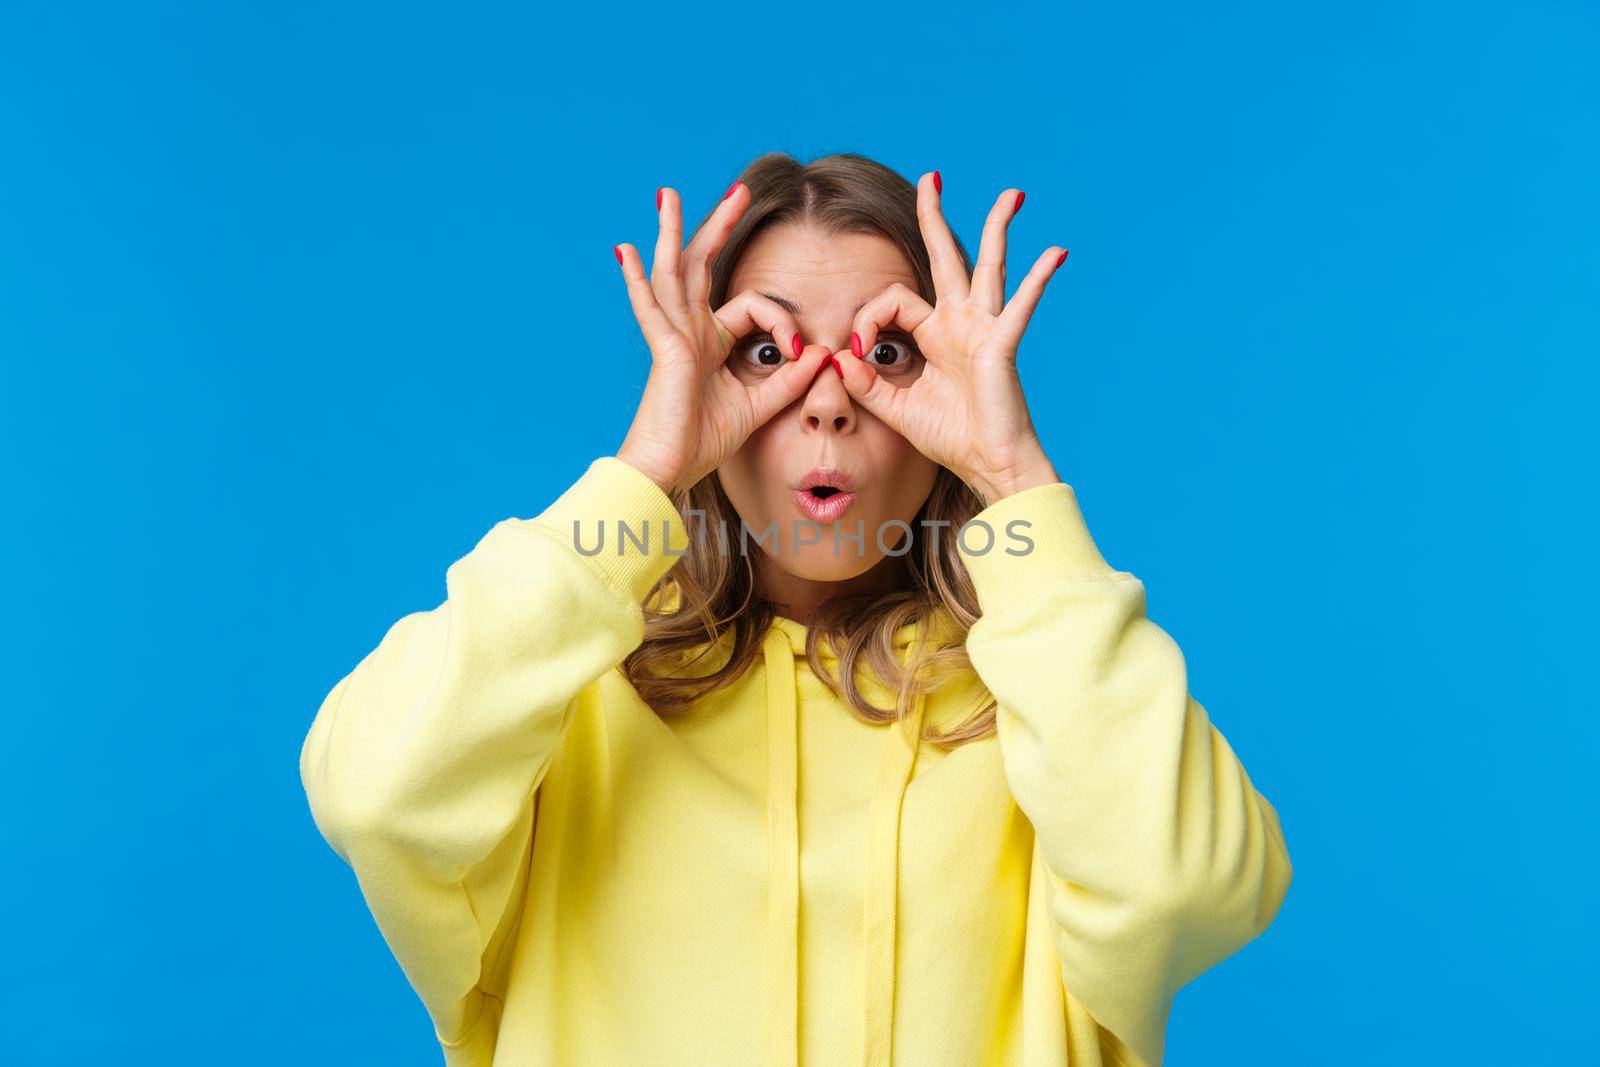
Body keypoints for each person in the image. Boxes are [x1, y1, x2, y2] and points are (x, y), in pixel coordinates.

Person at [298, 151, 1293, 1067]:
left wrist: (1012, 476)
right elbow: (376, 793)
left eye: (890, 352)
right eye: (766, 351)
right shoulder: (557, 705)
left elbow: (1187, 886)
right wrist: (646, 469)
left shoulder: (1048, 709)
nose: (827, 400)